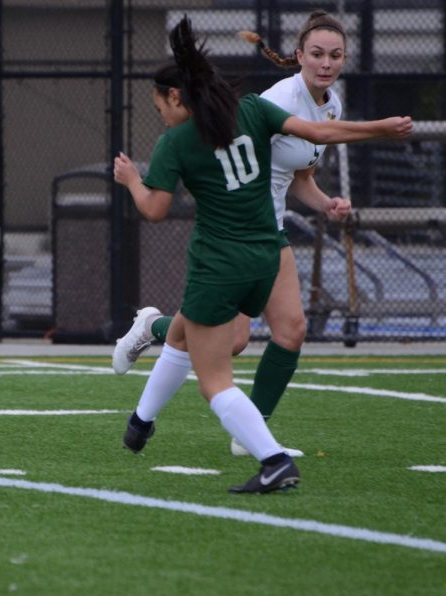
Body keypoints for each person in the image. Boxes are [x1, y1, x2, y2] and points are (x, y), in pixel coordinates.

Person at [112, 16, 411, 493]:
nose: (327, 63)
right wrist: (381, 128)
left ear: (175, 98)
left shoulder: (176, 142)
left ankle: (270, 457)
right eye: (318, 53)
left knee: (216, 380)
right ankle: (140, 423)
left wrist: (130, 181)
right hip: (265, 252)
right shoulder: (255, 107)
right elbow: (317, 138)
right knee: (228, 339)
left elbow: (154, 209)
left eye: (159, 107)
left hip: (221, 260)